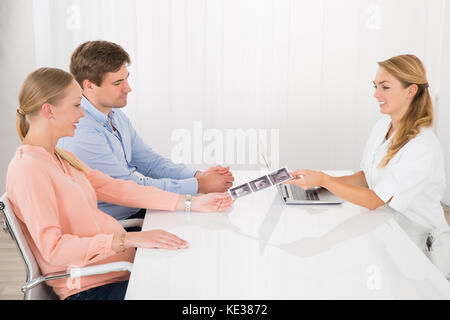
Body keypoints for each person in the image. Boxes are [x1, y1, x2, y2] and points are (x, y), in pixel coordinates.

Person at [7, 67, 234, 300]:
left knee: (199, 274)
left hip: (117, 272)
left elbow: (116, 188)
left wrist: (189, 203)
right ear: (49, 111)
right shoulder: (29, 169)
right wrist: (128, 239)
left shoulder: (60, 157)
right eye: (76, 105)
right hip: (92, 289)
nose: (83, 114)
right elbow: (53, 249)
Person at [57, 40, 234, 222]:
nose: (128, 88)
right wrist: (199, 185)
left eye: (126, 78)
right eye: (118, 83)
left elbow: (150, 163)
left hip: (139, 212)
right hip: (115, 225)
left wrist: (198, 176)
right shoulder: (81, 132)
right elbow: (131, 187)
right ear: (89, 85)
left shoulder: (114, 114)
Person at [285, 54, 447, 252]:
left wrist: (324, 180)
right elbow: (365, 177)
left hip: (416, 245)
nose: (376, 95)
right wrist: (317, 185)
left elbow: (374, 199)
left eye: (385, 87)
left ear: (411, 91)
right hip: (384, 230)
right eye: (376, 86)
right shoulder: (383, 126)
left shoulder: (422, 146)